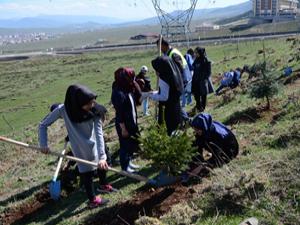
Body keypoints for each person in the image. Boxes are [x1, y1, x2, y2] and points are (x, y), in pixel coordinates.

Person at [39, 84, 110, 208]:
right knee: (86, 172)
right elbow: (43, 125)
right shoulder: (63, 110)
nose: (91, 106)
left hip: (96, 144)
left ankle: (103, 185)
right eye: (88, 104)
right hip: (80, 147)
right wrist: (43, 144)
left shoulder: (96, 110)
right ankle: (92, 200)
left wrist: (102, 156)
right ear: (77, 103)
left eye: (92, 102)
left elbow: (99, 135)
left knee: (103, 162)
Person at [111, 67, 141, 173]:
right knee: (124, 145)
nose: (132, 80)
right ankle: (124, 167)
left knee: (131, 144)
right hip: (124, 124)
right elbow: (119, 113)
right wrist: (123, 128)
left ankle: (129, 162)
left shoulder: (127, 88)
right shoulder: (118, 93)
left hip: (132, 121)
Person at [145, 56, 184, 135]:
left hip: (167, 110)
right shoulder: (173, 74)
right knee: (176, 129)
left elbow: (164, 97)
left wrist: (150, 95)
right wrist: (154, 93)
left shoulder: (163, 78)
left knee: (168, 131)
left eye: (156, 69)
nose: (155, 71)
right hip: (176, 106)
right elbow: (167, 91)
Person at [192, 47, 214, 112]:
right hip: (196, 81)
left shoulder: (206, 60)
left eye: (196, 52)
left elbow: (209, 72)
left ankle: (203, 108)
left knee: (203, 95)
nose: (195, 54)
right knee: (196, 96)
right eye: (195, 53)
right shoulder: (196, 60)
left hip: (203, 82)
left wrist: (203, 78)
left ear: (200, 52)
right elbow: (194, 70)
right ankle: (198, 107)